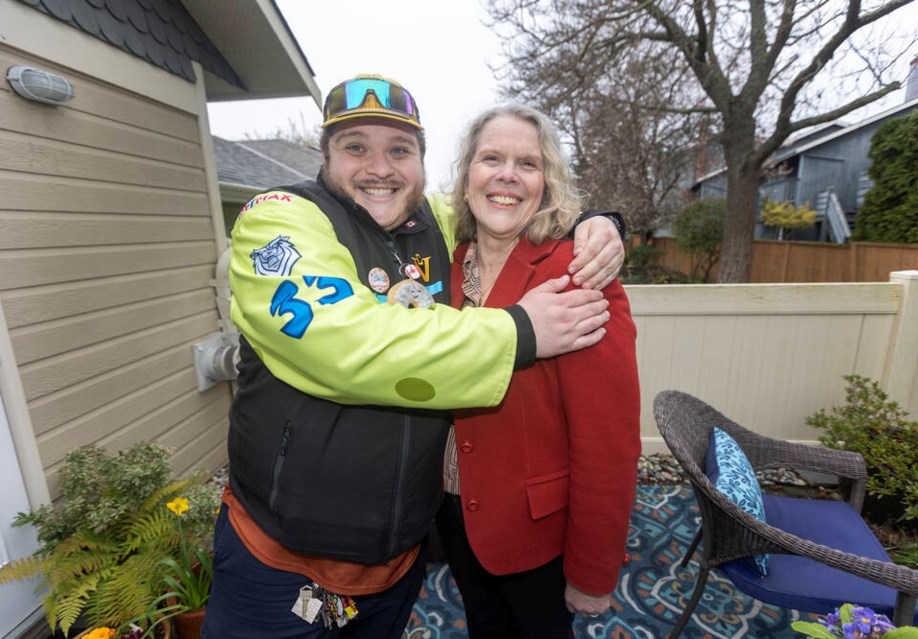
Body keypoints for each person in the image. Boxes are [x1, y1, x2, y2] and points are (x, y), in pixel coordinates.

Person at [202, 75, 626, 639]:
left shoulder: (433, 223)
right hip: (282, 561)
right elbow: (345, 342)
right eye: (356, 147)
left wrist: (599, 222)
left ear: (423, 161)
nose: (380, 169)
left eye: (399, 150)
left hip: (398, 562)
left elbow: (505, 197)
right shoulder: (279, 219)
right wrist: (520, 331)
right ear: (325, 154)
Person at [435, 104, 641, 639]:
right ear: (467, 175)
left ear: (546, 183)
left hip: (535, 535)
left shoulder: (577, 272)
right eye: (491, 159)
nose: (507, 175)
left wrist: (593, 572)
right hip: (453, 518)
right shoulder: (444, 267)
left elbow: (607, 441)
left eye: (527, 163)